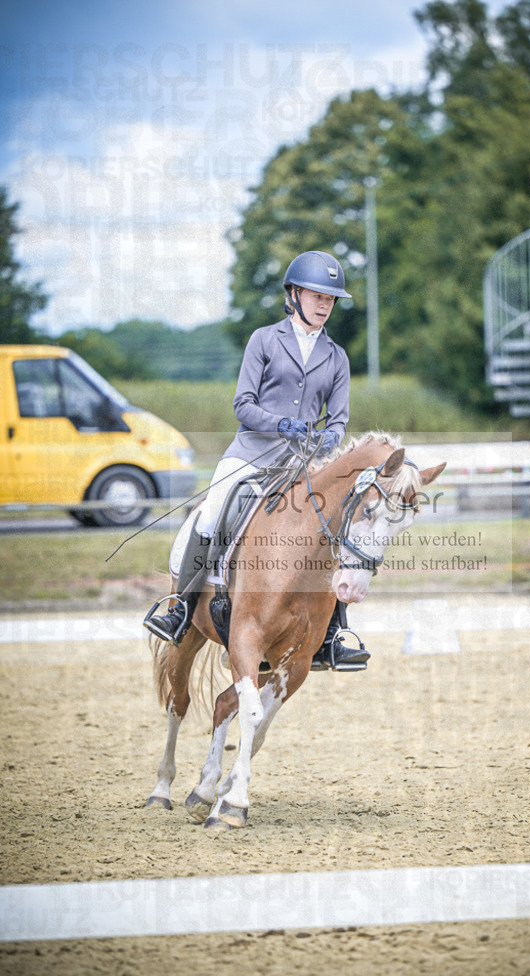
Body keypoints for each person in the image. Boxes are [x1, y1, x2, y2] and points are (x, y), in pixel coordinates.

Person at [144, 250, 370, 670]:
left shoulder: (337, 357)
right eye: (317, 295)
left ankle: (333, 633)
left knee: (332, 532)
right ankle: (180, 606)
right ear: (294, 294)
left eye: (330, 298)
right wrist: (282, 425)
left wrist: (326, 441)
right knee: (211, 514)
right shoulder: (264, 340)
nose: (324, 305)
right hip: (251, 454)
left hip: (301, 465)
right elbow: (243, 405)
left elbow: (339, 421)